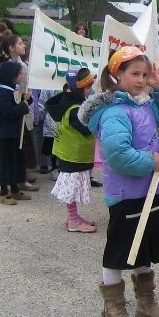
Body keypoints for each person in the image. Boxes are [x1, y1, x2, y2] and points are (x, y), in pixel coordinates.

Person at [78, 46, 159, 317]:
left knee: (144, 248)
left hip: (151, 189)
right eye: (135, 73)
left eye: (145, 74)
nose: (141, 79)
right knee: (120, 251)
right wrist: (151, 161)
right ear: (116, 74)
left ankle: (146, 303)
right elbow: (118, 155)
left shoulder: (145, 103)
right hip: (126, 194)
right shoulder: (114, 113)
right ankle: (113, 310)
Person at [47, 68, 97, 233]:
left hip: (68, 151)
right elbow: (87, 129)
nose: (90, 89)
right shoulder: (75, 109)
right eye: (88, 86)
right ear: (80, 88)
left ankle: (73, 216)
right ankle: (73, 221)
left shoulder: (67, 101)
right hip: (73, 154)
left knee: (73, 185)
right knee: (72, 187)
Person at [0, 61, 32, 205]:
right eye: (19, 74)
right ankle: (4, 191)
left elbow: (19, 102)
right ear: (11, 76)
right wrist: (23, 105)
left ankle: (15, 188)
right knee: (5, 162)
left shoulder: (13, 89)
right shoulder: (2, 92)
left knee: (15, 160)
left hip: (15, 132)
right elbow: (9, 111)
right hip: (5, 133)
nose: (21, 76)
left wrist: (26, 98)